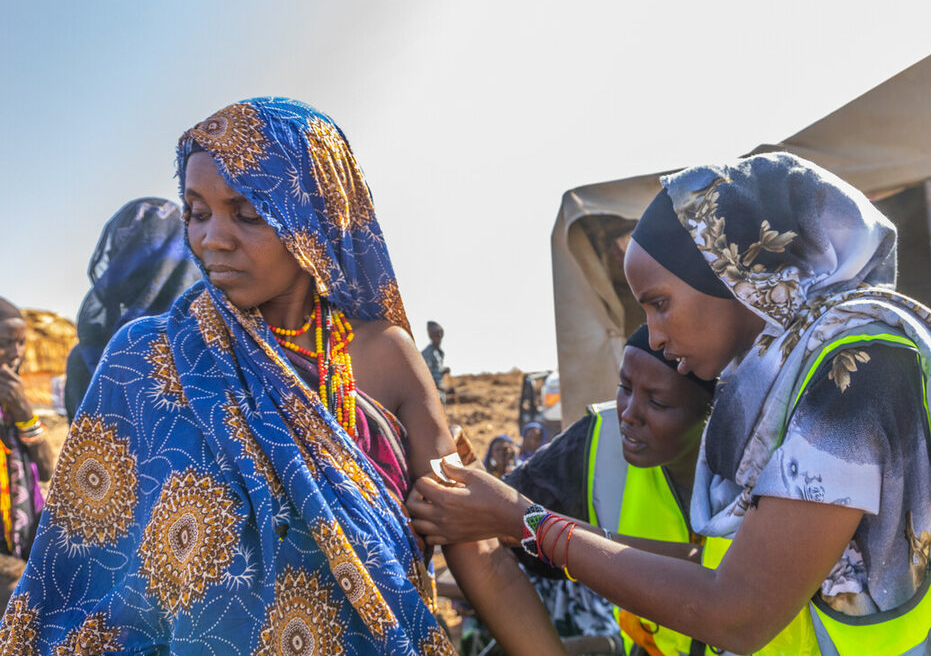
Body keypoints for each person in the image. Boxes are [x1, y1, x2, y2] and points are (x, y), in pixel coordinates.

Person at [410, 152, 931, 654]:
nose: (658, 335)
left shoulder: (858, 364)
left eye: (660, 303)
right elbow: (723, 569)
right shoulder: (779, 384)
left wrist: (525, 519)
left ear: (733, 275)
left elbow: (740, 607)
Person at [0, 98, 562, 654]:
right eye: (197, 212)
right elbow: (81, 570)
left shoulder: (385, 359)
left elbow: (479, 554)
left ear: (315, 214)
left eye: (247, 213)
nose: (212, 238)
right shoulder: (145, 358)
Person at [506, 322, 723, 654]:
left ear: (711, 410)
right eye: (624, 387)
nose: (629, 414)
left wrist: (547, 530)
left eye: (659, 403)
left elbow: (714, 576)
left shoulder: (758, 461)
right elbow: (508, 522)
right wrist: (512, 516)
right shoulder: (596, 443)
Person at [64, 197, 202, 421]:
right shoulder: (87, 354)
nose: (122, 271)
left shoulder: (216, 339)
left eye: (136, 262)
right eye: (120, 259)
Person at [0, 298, 54, 613]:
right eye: (5, 343)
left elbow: (46, 470)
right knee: (14, 588)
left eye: (21, 343)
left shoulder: (15, 401)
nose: (17, 352)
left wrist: (24, 412)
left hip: (23, 532)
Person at [421, 321, 450, 404]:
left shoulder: (439, 353)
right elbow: (426, 376)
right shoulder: (427, 353)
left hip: (440, 394)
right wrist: (442, 388)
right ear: (431, 336)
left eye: (440, 334)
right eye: (436, 334)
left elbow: (436, 372)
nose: (439, 337)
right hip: (433, 395)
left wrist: (443, 371)